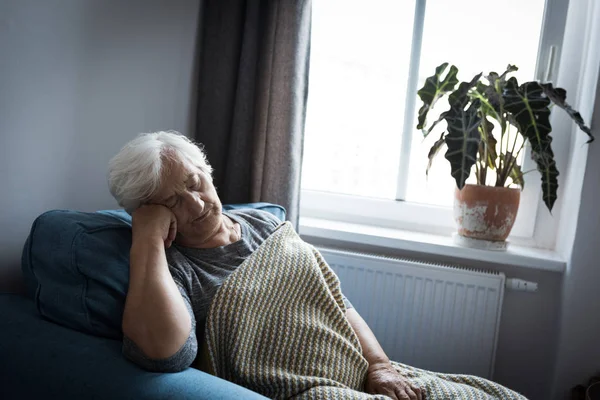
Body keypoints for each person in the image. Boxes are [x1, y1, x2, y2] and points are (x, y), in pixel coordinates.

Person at [108, 131, 423, 400]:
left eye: (194, 183)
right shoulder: (174, 269)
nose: (197, 203)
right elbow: (165, 354)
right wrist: (147, 236)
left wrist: (381, 367)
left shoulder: (264, 222)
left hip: (362, 371)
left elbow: (336, 301)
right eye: (172, 203)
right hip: (301, 390)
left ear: (207, 171)